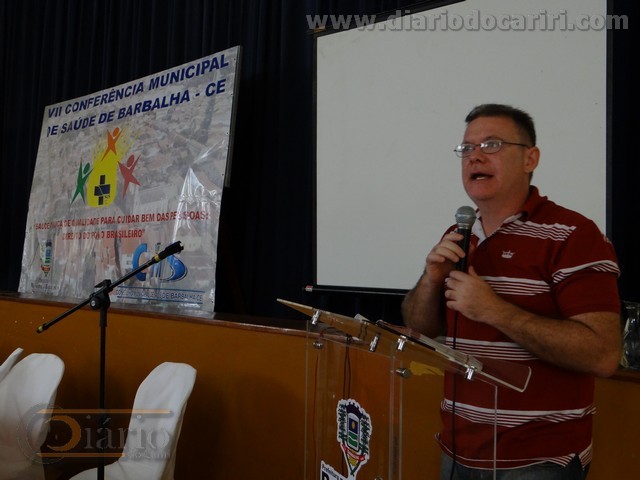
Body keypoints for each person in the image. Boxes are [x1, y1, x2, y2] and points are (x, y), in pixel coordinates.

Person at [401, 104, 621, 480]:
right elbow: (420, 327)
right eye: (467, 148)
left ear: (530, 158)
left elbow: (602, 355)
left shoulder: (573, 235)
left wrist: (494, 310)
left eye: (492, 144)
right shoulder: (458, 234)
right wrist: (431, 279)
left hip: (538, 460)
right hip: (458, 451)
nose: (475, 156)